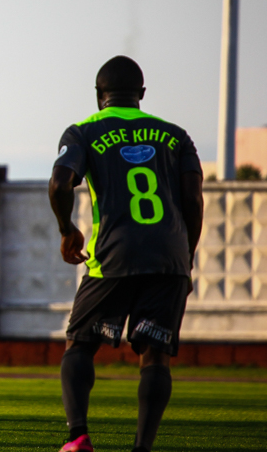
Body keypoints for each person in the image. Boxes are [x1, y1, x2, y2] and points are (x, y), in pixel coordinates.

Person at [48, 56, 204, 452]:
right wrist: (185, 258)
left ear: (99, 95)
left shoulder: (83, 132)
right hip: (169, 258)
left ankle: (78, 437)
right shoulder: (177, 136)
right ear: (142, 94)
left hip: (113, 254)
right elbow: (193, 200)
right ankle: (141, 448)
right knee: (155, 356)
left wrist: (67, 230)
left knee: (80, 343)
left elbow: (60, 183)